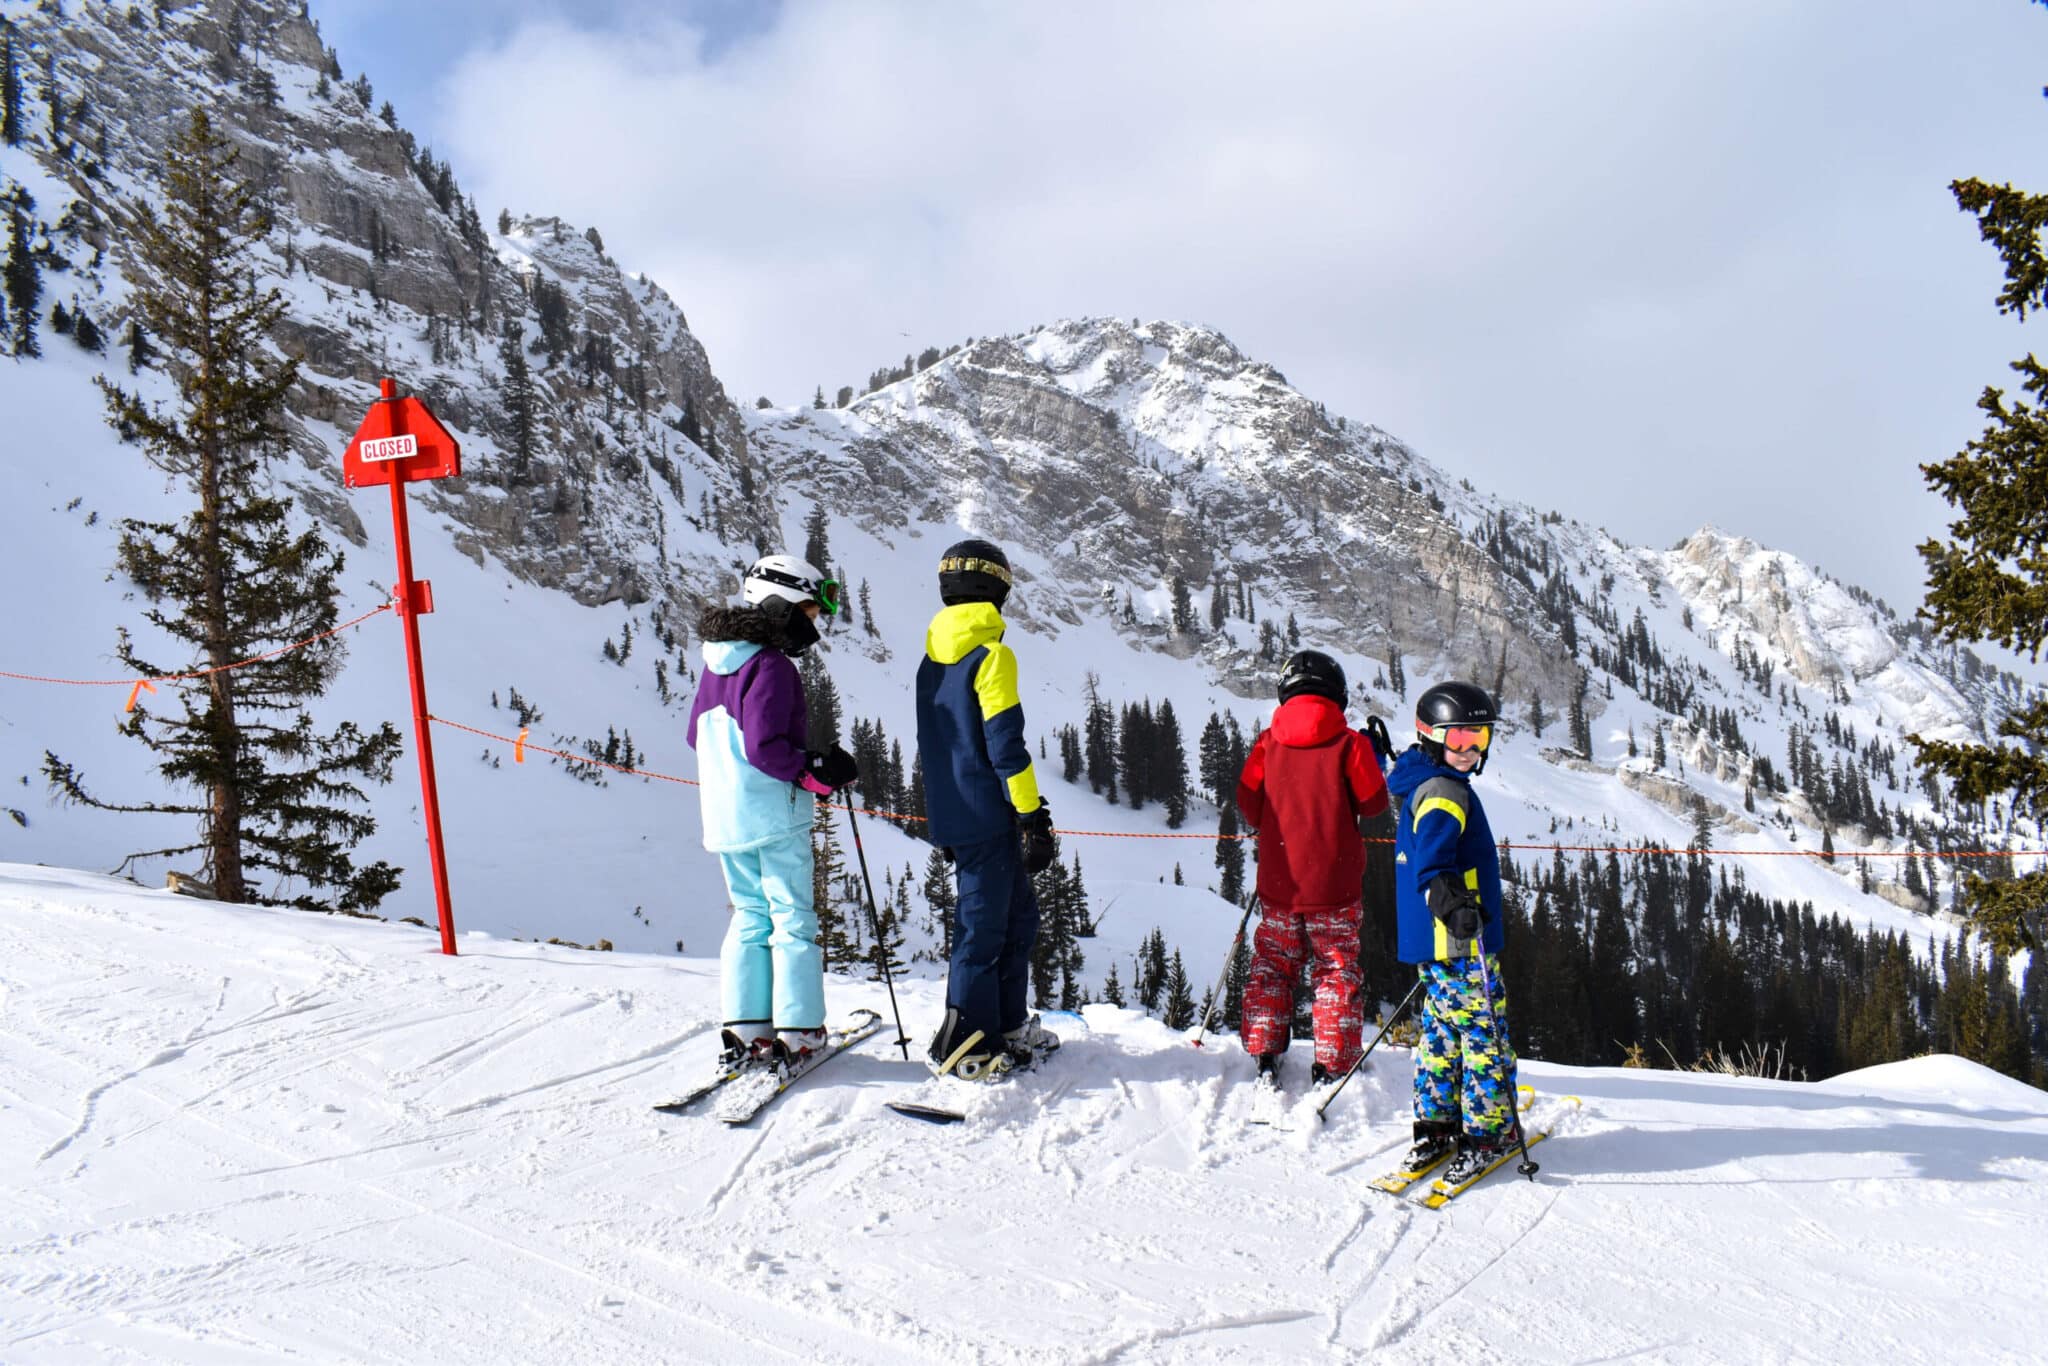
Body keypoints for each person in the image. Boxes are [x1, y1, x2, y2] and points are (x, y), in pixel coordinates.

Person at [686, 553, 858, 1074]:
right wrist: (814, 770)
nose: (813, 626)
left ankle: (747, 1027)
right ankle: (800, 1030)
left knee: (749, 916)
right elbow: (764, 747)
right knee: (791, 918)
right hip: (773, 816)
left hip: (725, 818)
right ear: (779, 604)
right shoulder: (770, 666)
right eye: (808, 612)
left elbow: (696, 734)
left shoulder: (719, 661)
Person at [914, 538, 1059, 1080]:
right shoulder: (992, 655)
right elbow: (1005, 745)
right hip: (989, 815)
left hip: (955, 811)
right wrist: (1032, 815)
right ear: (997, 588)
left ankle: (1007, 1024)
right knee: (981, 929)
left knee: (1018, 919)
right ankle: (968, 1042)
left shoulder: (933, 657)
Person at [1234, 649, 1391, 1085]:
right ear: (1336, 696)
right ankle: (1335, 1062)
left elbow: (1248, 805)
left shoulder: (1267, 743)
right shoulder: (1350, 744)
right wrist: (1374, 761)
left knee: (1272, 962)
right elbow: (1375, 802)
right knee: (1336, 968)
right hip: (1335, 887)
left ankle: (1265, 1050)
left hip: (1280, 885)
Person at [1385, 680, 1519, 1186]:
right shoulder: (1445, 793)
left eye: (1479, 740)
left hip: (1435, 945)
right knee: (1483, 1033)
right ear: (1430, 736)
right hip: (1460, 941)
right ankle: (1490, 1132)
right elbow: (1432, 864)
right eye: (1459, 740)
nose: (1469, 752)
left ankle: (1436, 1126)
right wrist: (1453, 906)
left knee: (1442, 1033)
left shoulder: (1421, 781)